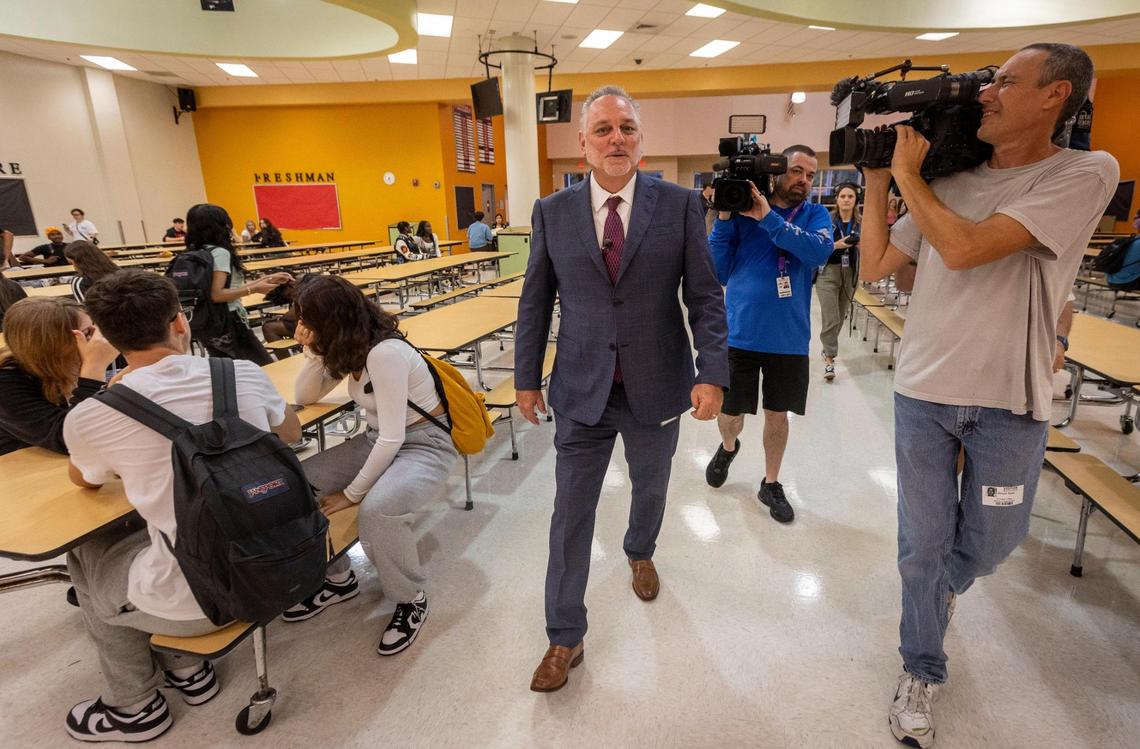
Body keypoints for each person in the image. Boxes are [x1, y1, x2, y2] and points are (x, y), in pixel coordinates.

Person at [856, 43, 1118, 748]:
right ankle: (921, 665)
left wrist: (910, 178)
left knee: (994, 542)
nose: (988, 93)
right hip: (924, 391)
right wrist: (881, 180)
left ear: (1055, 95)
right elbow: (876, 266)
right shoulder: (953, 180)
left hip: (1012, 397)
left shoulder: (1084, 171)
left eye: (1005, 81)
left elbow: (967, 249)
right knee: (921, 546)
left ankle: (933, 599)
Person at [514, 85, 728, 693]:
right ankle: (564, 635)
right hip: (581, 389)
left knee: (651, 485)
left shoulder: (681, 205)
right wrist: (526, 377)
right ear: (582, 144)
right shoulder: (552, 212)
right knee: (569, 512)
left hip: (657, 384)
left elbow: (705, 296)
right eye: (603, 129)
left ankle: (640, 549)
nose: (616, 138)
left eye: (627, 128)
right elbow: (536, 298)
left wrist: (712, 371)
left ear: (641, 140)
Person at [61, 269, 301, 743]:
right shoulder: (243, 372)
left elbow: (84, 481)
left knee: (85, 552)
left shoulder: (93, 415)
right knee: (151, 533)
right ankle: (187, 669)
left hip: (201, 600)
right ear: (179, 322)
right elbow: (290, 434)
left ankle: (135, 704)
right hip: (284, 564)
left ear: (106, 338)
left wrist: (101, 384)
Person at [282, 275, 458, 655]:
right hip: (374, 441)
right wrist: (313, 350)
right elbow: (304, 394)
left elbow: (394, 437)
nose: (300, 327)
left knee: (378, 511)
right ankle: (338, 578)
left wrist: (351, 493)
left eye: (307, 321)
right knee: (301, 482)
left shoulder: (384, 353)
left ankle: (409, 598)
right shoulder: (347, 345)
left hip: (424, 445)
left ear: (331, 320)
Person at [704, 145, 833, 524]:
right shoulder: (740, 215)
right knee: (730, 413)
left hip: (788, 340)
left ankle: (771, 482)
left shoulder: (814, 214)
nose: (803, 180)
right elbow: (718, 273)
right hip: (739, 333)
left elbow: (817, 252)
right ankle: (728, 448)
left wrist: (768, 218)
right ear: (776, 172)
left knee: (778, 415)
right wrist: (726, 218)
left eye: (810, 174)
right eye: (796, 171)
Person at [0, 297, 119, 456]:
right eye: (86, 333)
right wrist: (94, 368)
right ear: (53, 344)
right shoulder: (6, 380)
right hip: (22, 463)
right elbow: (70, 438)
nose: (98, 339)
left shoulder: (71, 359)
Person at [185, 203, 289, 365]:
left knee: (230, 371)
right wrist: (254, 288)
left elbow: (228, 287)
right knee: (265, 367)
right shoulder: (220, 253)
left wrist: (265, 280)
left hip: (207, 323)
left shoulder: (196, 251)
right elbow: (217, 294)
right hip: (229, 322)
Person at [817, 183, 862, 380]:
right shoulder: (827, 221)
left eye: (850, 196)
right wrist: (836, 245)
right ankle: (829, 360)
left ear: (855, 200)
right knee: (831, 317)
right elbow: (817, 246)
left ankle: (828, 348)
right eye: (842, 196)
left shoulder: (862, 223)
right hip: (827, 272)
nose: (846, 199)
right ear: (836, 199)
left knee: (841, 315)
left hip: (850, 272)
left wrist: (861, 245)